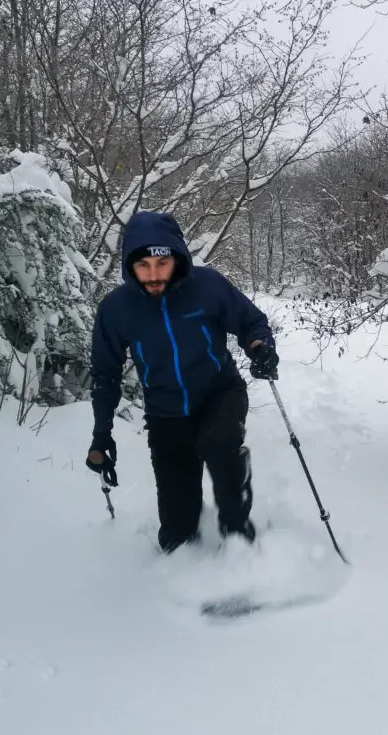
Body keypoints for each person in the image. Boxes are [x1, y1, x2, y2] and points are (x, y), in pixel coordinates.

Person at [85, 210, 278, 553]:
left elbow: (252, 322)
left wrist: (260, 347)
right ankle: (183, 565)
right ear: (130, 265)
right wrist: (101, 435)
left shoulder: (207, 286)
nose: (153, 275)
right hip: (166, 411)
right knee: (177, 533)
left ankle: (238, 535)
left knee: (219, 445)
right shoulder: (117, 309)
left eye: (161, 264)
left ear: (177, 258)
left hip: (219, 391)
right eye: (143, 266)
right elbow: (105, 374)